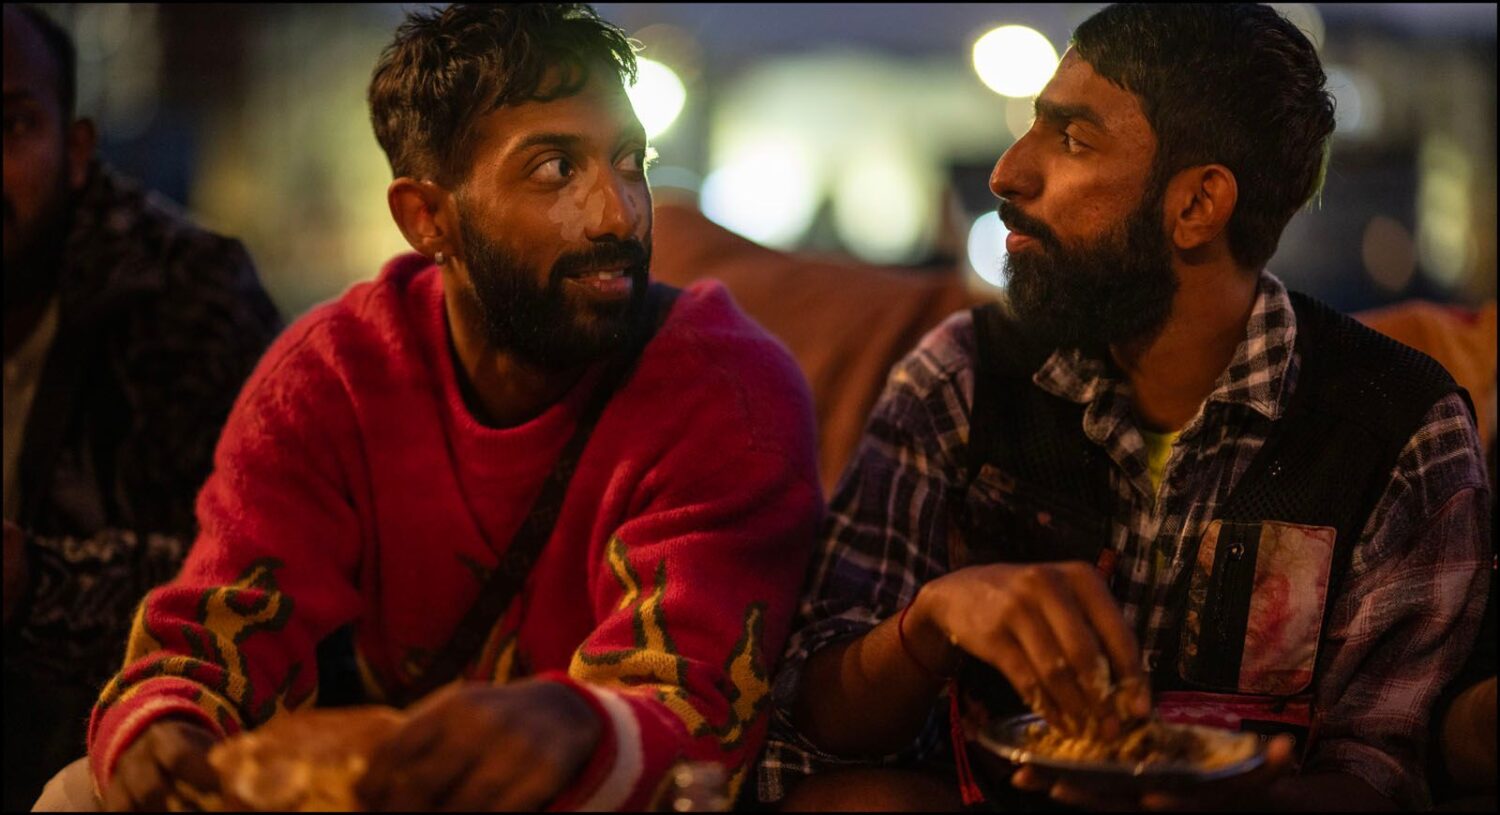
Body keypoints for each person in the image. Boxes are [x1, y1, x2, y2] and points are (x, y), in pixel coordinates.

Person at [61, 3, 821, 812]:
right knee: (81, 792)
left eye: (629, 161)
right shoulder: (334, 374)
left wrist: (577, 723)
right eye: (555, 169)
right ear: (428, 217)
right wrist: (164, 728)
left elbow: (698, 708)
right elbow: (216, 629)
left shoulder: (728, 390)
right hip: (389, 782)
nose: (619, 212)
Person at [759, 3, 1490, 811]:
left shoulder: (1398, 429)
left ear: (1197, 205)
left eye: (1073, 139)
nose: (1006, 171)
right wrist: (927, 627)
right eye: (1032, 126)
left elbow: (1387, 772)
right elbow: (811, 723)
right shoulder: (963, 376)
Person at [2, 4, 282, 809]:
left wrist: (33, 583)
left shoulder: (185, 297)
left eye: (11, 125)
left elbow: (256, 587)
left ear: (76, 150)